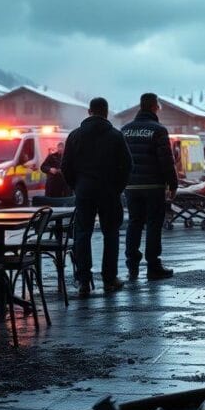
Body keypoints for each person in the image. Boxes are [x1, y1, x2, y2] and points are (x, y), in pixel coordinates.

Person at [62, 97, 133, 293]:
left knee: (82, 234)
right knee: (110, 234)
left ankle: (84, 281)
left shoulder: (75, 136)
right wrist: (117, 187)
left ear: (89, 112)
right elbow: (127, 166)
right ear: (106, 112)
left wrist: (76, 186)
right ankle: (109, 278)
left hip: (84, 191)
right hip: (109, 192)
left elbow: (65, 166)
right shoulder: (115, 136)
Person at [122, 93, 178, 281]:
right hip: (153, 185)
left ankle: (132, 266)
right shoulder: (158, 130)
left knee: (134, 223)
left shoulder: (125, 130)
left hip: (131, 187)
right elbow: (166, 160)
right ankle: (153, 266)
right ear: (155, 107)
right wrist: (173, 183)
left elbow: (119, 160)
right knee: (154, 224)